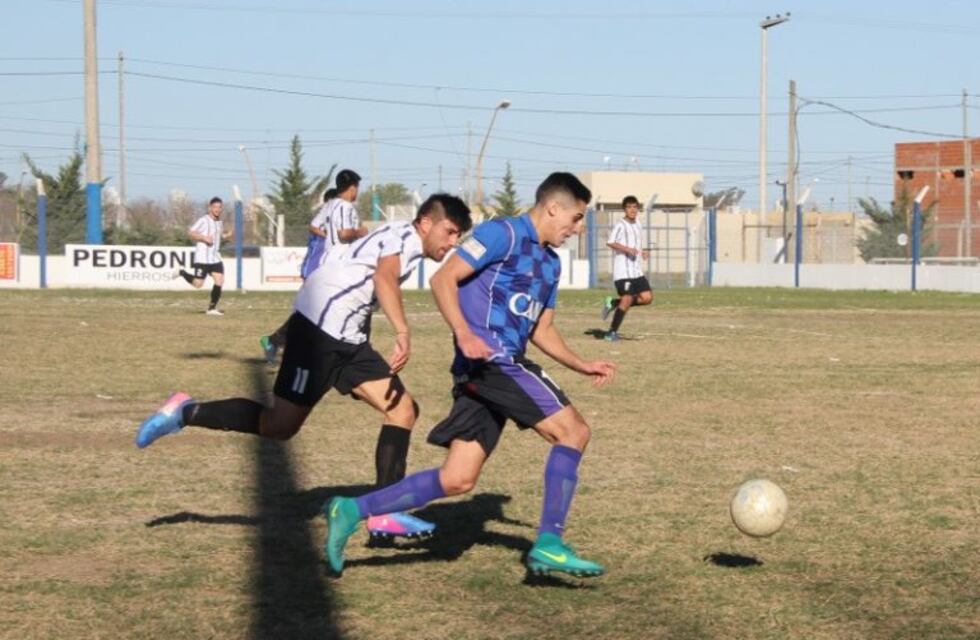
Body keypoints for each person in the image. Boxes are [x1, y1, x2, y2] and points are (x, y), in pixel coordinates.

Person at [324, 172, 617, 578]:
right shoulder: (502, 234)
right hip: (492, 361)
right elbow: (444, 278)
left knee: (458, 478)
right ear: (553, 208)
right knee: (574, 433)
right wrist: (464, 333)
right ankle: (550, 543)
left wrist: (581, 364)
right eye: (577, 217)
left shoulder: (550, 264)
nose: (578, 228)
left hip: (488, 368)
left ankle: (351, 509)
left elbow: (543, 330)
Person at [138, 194, 473, 541]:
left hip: (348, 337)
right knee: (279, 425)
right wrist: (402, 331)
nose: (452, 243)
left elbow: (359, 278)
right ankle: (185, 411)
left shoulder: (400, 235)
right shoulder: (403, 238)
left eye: (458, 236)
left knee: (402, 410)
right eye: (449, 232)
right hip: (319, 332)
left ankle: (385, 513)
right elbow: (384, 279)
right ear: (426, 223)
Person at [261, 169, 368, 362]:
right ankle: (279, 342)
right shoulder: (345, 207)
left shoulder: (330, 204)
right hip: (337, 267)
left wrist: (328, 238)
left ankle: (277, 341)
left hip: (328, 263)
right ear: (352, 187)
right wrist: (360, 232)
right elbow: (344, 234)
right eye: (357, 187)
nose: (357, 191)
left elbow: (313, 225)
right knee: (327, 312)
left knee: (316, 312)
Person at [600, 195, 653, 341]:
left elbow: (637, 245)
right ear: (624, 209)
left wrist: (643, 252)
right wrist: (627, 249)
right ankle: (611, 333)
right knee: (628, 297)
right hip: (623, 272)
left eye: (635, 207)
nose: (632, 210)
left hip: (636, 270)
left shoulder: (638, 224)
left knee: (647, 298)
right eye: (629, 207)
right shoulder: (620, 225)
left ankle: (614, 303)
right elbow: (610, 242)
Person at [177, 196, 233, 315]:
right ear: (210, 208)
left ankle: (212, 308)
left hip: (215, 258)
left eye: (219, 207)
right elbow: (190, 232)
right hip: (202, 258)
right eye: (215, 207)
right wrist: (203, 238)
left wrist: (226, 236)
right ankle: (182, 273)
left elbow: (218, 237)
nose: (217, 209)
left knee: (219, 280)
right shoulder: (203, 220)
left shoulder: (219, 223)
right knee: (198, 284)